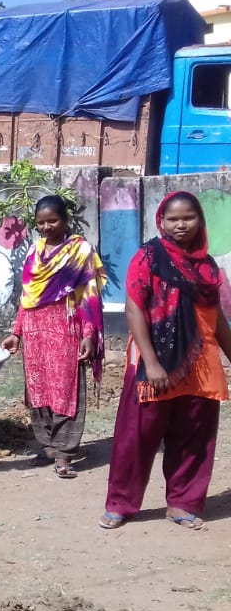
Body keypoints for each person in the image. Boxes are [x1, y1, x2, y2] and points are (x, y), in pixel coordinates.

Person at [100, 191, 231, 530]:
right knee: (137, 436)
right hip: (154, 363)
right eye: (173, 219)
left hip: (200, 364)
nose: (181, 224)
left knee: (194, 438)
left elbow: (215, 318)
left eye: (188, 217)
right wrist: (153, 362)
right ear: (161, 221)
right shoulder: (148, 257)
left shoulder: (208, 266)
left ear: (200, 220)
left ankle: (183, 503)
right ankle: (121, 504)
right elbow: (134, 308)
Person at [1, 195, 105, 479]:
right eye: (41, 223)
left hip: (66, 329)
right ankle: (47, 446)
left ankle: (64, 453)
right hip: (35, 331)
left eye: (52, 221)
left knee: (65, 389)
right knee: (39, 390)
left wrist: (89, 335)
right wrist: (16, 332)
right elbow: (27, 296)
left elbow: (89, 297)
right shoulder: (35, 251)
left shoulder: (80, 251)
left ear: (65, 220)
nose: (46, 227)